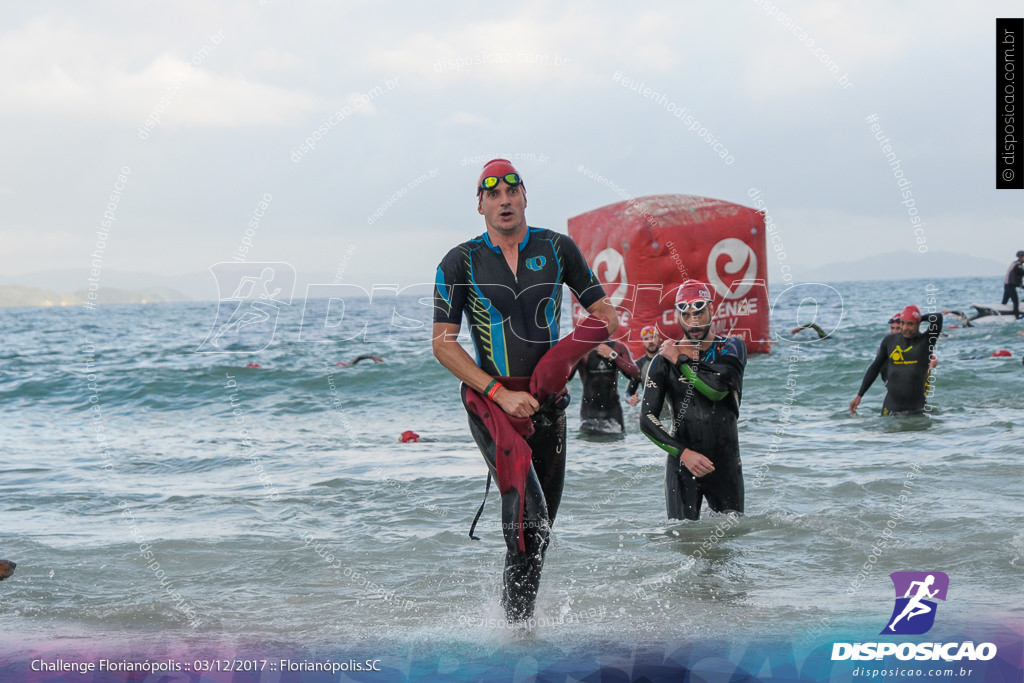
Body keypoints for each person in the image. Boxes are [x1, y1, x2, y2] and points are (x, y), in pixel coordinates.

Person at [432, 159, 617, 623]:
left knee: (541, 527)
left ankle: (519, 626)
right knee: (527, 514)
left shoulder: (558, 248)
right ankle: (515, 633)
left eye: (512, 191)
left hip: (548, 405)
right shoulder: (459, 261)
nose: (504, 200)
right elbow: (442, 344)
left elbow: (606, 317)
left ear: (525, 197)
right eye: (492, 194)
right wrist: (500, 393)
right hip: (492, 406)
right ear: (480, 205)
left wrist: (564, 360)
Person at [640, 280, 747, 521]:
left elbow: (717, 390)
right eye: (686, 315)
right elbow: (646, 420)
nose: (693, 321)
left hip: (725, 464)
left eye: (699, 313)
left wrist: (680, 360)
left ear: (712, 309)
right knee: (682, 541)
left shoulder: (731, 348)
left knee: (728, 543)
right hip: (682, 466)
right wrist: (684, 454)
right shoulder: (662, 362)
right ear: (678, 316)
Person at [849, 305, 942, 416]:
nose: (905, 328)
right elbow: (875, 367)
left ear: (918, 324)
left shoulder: (926, 341)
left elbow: (938, 317)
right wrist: (860, 395)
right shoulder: (890, 341)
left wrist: (918, 317)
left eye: (910, 324)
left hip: (917, 408)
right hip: (890, 408)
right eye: (902, 323)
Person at [568, 341, 639, 433]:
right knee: (590, 445)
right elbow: (566, 378)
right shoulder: (580, 349)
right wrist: (578, 353)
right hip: (590, 413)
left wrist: (613, 355)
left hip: (614, 412)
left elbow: (636, 374)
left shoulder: (618, 347)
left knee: (617, 445)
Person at [626, 325, 661, 406]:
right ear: (642, 342)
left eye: (653, 337)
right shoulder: (639, 365)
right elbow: (627, 393)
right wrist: (630, 399)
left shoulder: (669, 360)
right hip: (650, 412)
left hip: (672, 413)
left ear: (659, 338)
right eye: (646, 339)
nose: (650, 341)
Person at [1001, 250, 1024, 319]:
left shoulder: (1016, 264)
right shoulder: (1018, 265)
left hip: (1008, 285)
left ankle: (1000, 312)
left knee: (1004, 301)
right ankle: (1016, 316)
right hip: (1010, 286)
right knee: (1015, 301)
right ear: (1020, 257)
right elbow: (1021, 272)